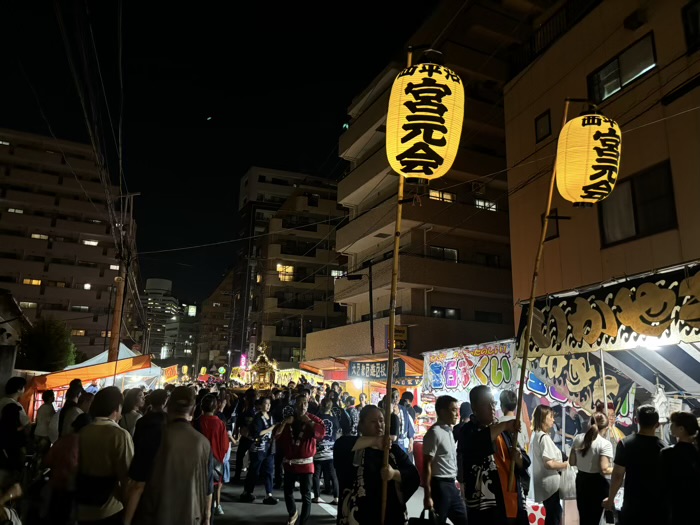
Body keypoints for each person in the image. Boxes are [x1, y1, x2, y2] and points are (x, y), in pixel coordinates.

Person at [128, 386, 213, 525]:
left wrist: (127, 520)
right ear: (192, 410)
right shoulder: (203, 443)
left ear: (168, 407)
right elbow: (208, 489)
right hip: (190, 515)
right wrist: (207, 517)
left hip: (155, 514)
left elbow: (138, 485)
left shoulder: (154, 436)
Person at [334, 405, 420, 525]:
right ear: (362, 425)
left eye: (381, 421)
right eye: (373, 422)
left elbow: (413, 475)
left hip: (389, 512)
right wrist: (375, 441)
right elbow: (340, 446)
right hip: (360, 513)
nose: (379, 425)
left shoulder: (392, 449)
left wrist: (394, 474)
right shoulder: (352, 446)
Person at [458, 385, 530, 525]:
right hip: (488, 507)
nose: (492, 407)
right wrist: (503, 426)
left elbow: (524, 461)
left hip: (512, 499)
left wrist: (519, 459)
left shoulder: (504, 432)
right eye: (487, 403)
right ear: (475, 408)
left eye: (493, 403)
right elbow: (478, 444)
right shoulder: (467, 431)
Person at [76, 386, 133, 524]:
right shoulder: (120, 435)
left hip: (82, 505)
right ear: (117, 408)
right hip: (109, 507)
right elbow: (127, 477)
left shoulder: (82, 432)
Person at [603, 405, 665, 525]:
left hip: (632, 504)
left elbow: (617, 476)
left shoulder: (626, 444)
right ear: (657, 424)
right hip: (657, 506)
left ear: (636, 421)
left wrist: (610, 499)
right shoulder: (664, 448)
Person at [275, 393, 325, 525]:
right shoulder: (289, 419)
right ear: (295, 405)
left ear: (308, 404)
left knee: (306, 495)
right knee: (287, 492)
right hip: (290, 463)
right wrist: (285, 422)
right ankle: (293, 513)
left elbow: (320, 434)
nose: (302, 406)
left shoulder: (313, 419)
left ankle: (303, 522)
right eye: (299, 403)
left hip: (306, 464)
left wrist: (308, 422)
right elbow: (276, 435)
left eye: (305, 403)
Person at [422, 395, 468, 525]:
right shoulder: (434, 433)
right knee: (437, 522)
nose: (457, 414)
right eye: (453, 410)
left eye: (457, 410)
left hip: (451, 485)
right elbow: (426, 465)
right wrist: (428, 495)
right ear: (442, 411)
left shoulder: (448, 430)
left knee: (464, 520)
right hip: (440, 486)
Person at [45, 413, 93, 525]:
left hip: (56, 485)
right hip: (73, 488)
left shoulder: (62, 440)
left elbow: (47, 461)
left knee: (54, 517)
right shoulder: (87, 443)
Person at [568, 412, 613, 525]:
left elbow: (572, 462)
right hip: (597, 484)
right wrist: (619, 469)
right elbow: (604, 469)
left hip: (581, 481)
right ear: (606, 428)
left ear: (589, 424)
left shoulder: (578, 439)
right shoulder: (605, 444)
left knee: (584, 518)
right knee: (597, 519)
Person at [530, 405, 569, 525]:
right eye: (550, 417)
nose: (553, 420)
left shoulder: (535, 435)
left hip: (544, 484)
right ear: (542, 418)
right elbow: (549, 464)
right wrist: (566, 464)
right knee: (554, 515)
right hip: (550, 485)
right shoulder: (543, 437)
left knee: (554, 514)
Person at [660, 411, 700, 525]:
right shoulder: (696, 453)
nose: (670, 426)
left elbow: (662, 482)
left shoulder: (668, 453)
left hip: (675, 506)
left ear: (681, 429)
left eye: (672, 423)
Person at [195, 394, 229, 516]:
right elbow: (224, 445)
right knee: (215, 486)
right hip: (215, 460)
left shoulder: (197, 421)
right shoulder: (219, 423)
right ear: (215, 407)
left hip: (198, 459)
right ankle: (215, 506)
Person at [240, 397, 278, 505]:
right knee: (254, 471)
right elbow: (257, 433)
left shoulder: (270, 417)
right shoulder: (257, 417)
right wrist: (270, 429)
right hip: (258, 448)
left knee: (269, 471)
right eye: (266, 404)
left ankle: (269, 494)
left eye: (269, 404)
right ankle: (247, 492)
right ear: (261, 405)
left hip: (269, 448)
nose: (268, 406)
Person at [312, 397, 340, 505]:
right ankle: (336, 497)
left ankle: (317, 496)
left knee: (316, 475)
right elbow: (337, 433)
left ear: (321, 405)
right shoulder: (334, 419)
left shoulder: (316, 418)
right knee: (333, 475)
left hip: (318, 450)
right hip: (330, 451)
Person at [233, 388, 256, 483]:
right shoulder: (246, 407)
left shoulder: (252, 409)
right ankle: (242, 476)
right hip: (248, 436)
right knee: (244, 456)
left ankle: (243, 476)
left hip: (249, 436)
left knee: (246, 456)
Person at [388, 388, 415, 454]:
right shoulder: (386, 409)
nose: (396, 398)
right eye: (394, 396)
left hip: (403, 443)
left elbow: (409, 426)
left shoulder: (403, 409)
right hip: (390, 442)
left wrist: (411, 442)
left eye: (398, 396)